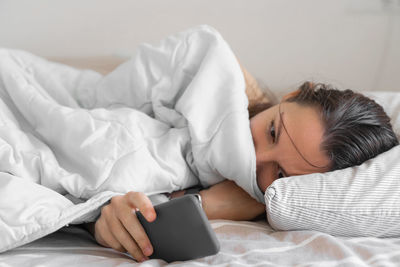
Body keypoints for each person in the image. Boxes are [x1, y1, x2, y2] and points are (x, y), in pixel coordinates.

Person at [84, 81, 399, 262]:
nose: (255, 155)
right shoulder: (219, 88)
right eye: (273, 131)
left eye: (280, 176)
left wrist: (206, 204)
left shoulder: (256, 200)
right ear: (288, 98)